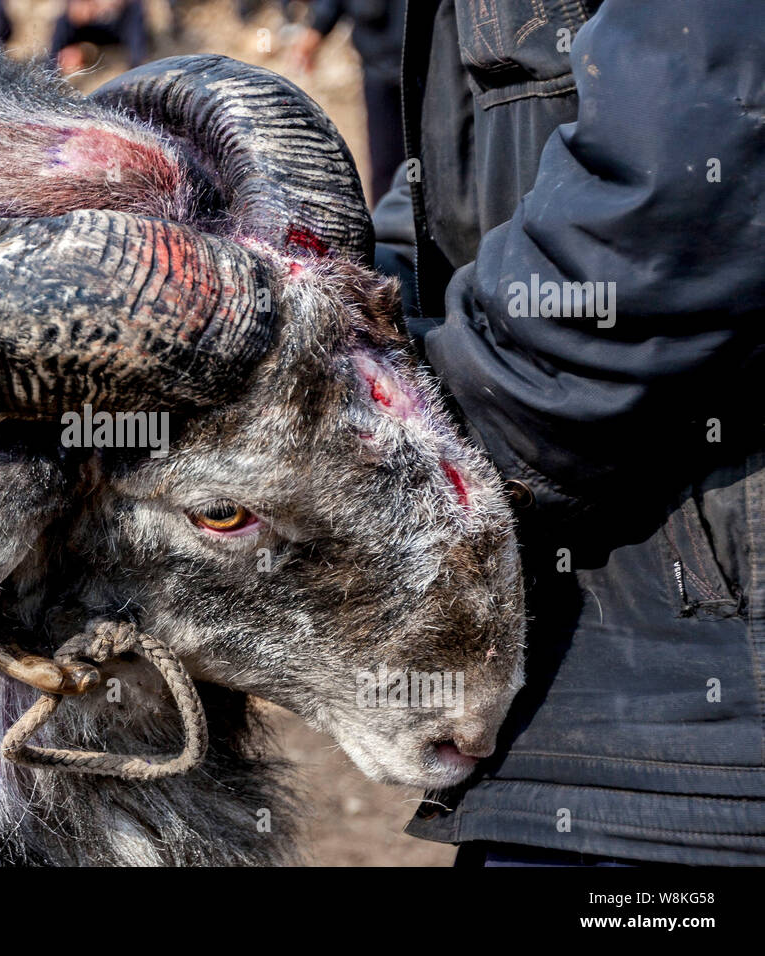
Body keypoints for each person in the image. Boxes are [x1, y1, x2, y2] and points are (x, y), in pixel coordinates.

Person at [370, 0, 765, 864]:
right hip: (588, 710)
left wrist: (412, 464)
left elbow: (681, 194)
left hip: (698, 738)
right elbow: (465, 185)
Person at [292, 0, 405, 205]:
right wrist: (316, 31)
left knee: (424, 159)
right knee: (385, 162)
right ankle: (389, 225)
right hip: (378, 68)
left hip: (427, 69)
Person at [50, 0, 147, 75]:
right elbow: (75, 12)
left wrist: (104, 5)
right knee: (62, 22)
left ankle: (137, 65)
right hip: (88, 27)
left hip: (116, 25)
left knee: (134, 10)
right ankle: (52, 67)